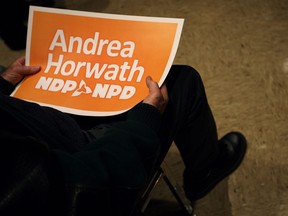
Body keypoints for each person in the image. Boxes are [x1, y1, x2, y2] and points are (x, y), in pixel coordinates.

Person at [0, 56, 247, 216]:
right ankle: (204, 173)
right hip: (87, 156)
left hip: (33, 124)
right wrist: (144, 120)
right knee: (182, 81)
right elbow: (87, 182)